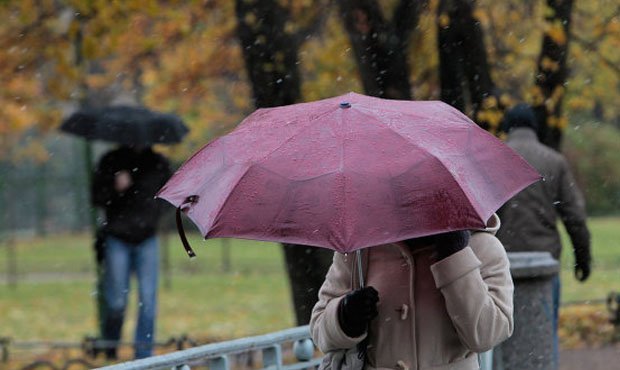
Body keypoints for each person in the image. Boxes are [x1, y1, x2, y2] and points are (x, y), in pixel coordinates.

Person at [310, 213, 513, 370]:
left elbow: (487, 335)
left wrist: (455, 255)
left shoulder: (483, 247)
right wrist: (345, 316)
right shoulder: (360, 250)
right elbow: (319, 328)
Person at [496, 103, 591, 367]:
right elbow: (575, 217)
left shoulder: (495, 158)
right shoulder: (554, 161)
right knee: (543, 334)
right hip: (543, 262)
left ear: (507, 128)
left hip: (501, 262)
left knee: (500, 338)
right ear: (534, 128)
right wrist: (583, 258)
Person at [92, 145, 171, 359]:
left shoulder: (158, 163)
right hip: (117, 238)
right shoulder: (110, 161)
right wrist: (115, 188)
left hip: (147, 239)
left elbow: (170, 195)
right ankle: (110, 345)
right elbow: (97, 197)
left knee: (148, 299)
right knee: (117, 302)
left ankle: (143, 354)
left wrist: (152, 215)